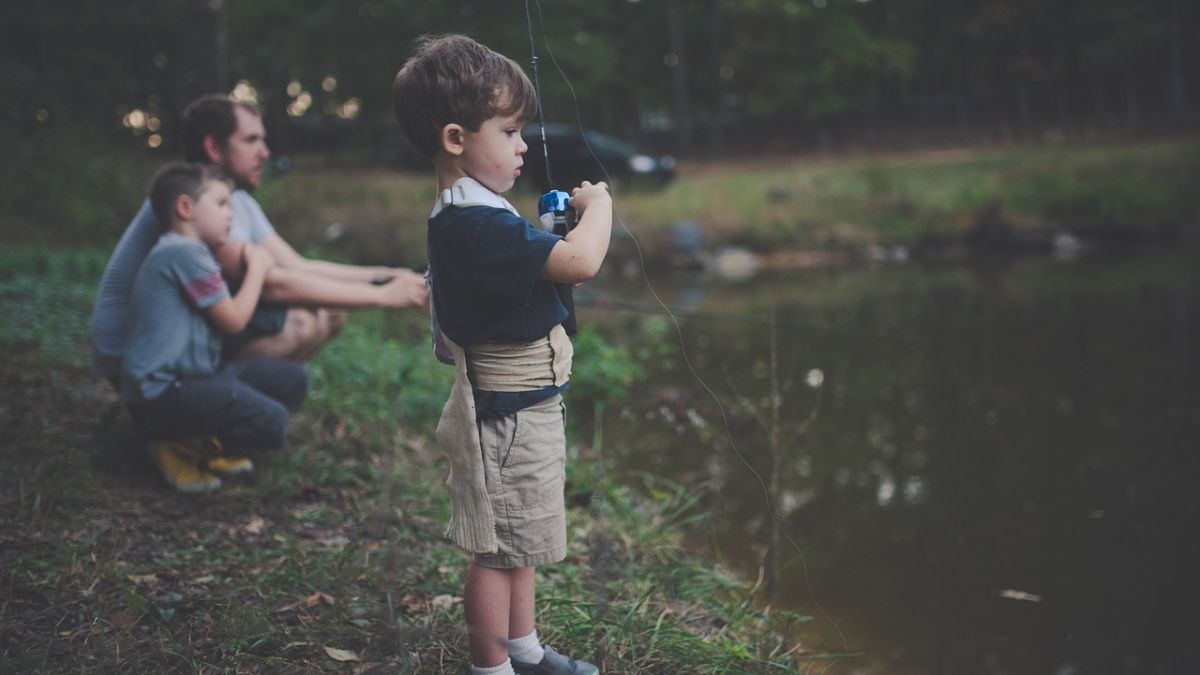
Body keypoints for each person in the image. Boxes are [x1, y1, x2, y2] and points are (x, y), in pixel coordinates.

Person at [393, 35, 612, 675]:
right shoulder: (473, 222)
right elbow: (582, 262)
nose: (522, 145)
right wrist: (598, 206)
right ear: (456, 138)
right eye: (511, 131)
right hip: (508, 417)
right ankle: (492, 669)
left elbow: (540, 273)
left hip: (526, 407)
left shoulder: (480, 213)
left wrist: (546, 241)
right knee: (498, 550)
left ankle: (525, 649)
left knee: (521, 542)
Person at [90, 94, 428, 381]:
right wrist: (385, 297)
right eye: (251, 140)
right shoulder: (197, 208)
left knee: (329, 311)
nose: (265, 152)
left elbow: (298, 265)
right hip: (134, 357)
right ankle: (208, 424)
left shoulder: (233, 200)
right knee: (301, 320)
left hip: (177, 338)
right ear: (213, 147)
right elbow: (273, 284)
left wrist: (388, 275)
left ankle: (240, 414)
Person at [121, 163, 308, 493]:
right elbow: (235, 319)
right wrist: (259, 268)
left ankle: (200, 439)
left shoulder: (188, 252)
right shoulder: (183, 252)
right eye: (221, 204)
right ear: (185, 208)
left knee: (293, 379)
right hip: (161, 395)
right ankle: (178, 444)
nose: (230, 215)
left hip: (194, 379)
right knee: (272, 421)